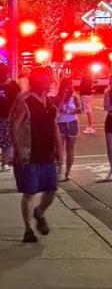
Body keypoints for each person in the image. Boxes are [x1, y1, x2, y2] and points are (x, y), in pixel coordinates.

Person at [9, 67, 63, 243]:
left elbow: (54, 127)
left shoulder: (48, 102)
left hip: (47, 153)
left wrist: (59, 150)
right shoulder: (24, 101)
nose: (50, 81)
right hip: (29, 154)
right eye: (47, 78)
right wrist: (18, 150)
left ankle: (39, 212)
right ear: (38, 80)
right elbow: (15, 127)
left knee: (51, 189)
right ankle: (28, 229)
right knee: (29, 192)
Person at [54, 77, 80, 182]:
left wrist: (70, 112)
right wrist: (63, 96)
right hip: (61, 123)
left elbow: (80, 110)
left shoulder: (75, 97)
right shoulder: (58, 97)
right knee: (59, 150)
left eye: (70, 85)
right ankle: (59, 171)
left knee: (70, 150)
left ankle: (68, 172)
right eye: (67, 85)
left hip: (72, 123)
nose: (69, 87)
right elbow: (57, 109)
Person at [0, 64, 21, 172]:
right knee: (5, 141)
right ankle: (4, 163)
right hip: (5, 116)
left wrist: (13, 111)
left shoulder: (13, 85)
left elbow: (18, 99)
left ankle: (5, 163)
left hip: (8, 116)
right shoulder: (11, 84)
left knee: (7, 141)